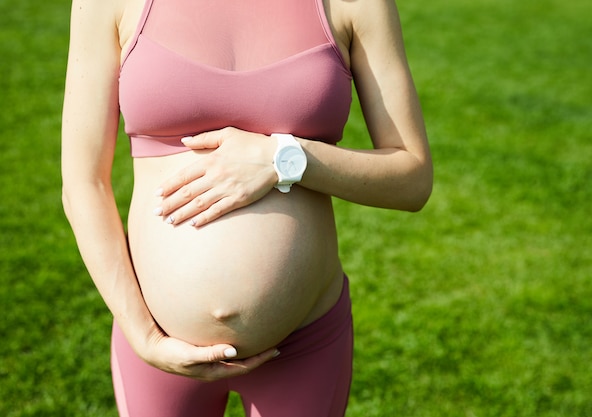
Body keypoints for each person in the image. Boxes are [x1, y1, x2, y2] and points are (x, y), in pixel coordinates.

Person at [61, 0, 432, 415]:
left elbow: (412, 179)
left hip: (304, 343)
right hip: (158, 344)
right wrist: (141, 333)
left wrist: (285, 158)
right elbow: (84, 183)